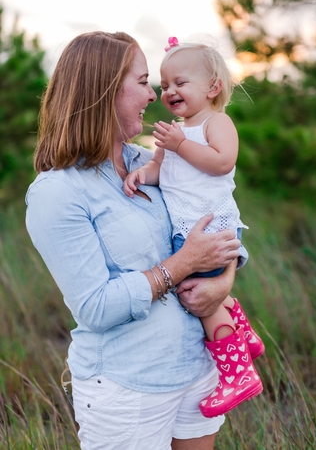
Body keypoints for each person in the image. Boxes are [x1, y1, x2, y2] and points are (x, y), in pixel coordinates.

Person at [25, 31, 245, 450]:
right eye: (144, 82)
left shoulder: (152, 163)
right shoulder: (57, 193)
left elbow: (222, 224)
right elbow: (96, 306)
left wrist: (223, 282)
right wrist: (181, 265)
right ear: (104, 90)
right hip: (129, 388)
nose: (154, 95)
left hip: (196, 369)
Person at [123, 38, 264, 418]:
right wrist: (143, 174)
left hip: (211, 228)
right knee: (203, 291)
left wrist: (181, 144)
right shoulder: (175, 132)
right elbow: (161, 169)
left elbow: (221, 163)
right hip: (188, 231)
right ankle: (241, 329)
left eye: (180, 83)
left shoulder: (217, 123)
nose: (168, 92)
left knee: (200, 300)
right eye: (164, 85)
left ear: (213, 87)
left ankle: (238, 375)